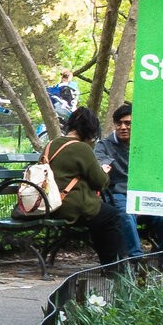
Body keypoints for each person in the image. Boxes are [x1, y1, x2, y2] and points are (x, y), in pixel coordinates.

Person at [32, 108, 121, 260]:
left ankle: (109, 263)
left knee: (101, 216)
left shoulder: (51, 145)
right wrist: (104, 171)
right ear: (89, 130)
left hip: (47, 204)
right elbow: (100, 182)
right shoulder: (81, 148)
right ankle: (114, 265)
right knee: (111, 216)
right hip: (68, 207)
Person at [92, 103, 140, 257]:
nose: (123, 127)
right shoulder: (103, 146)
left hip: (140, 193)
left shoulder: (143, 146)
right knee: (126, 214)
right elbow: (100, 165)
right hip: (116, 193)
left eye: (128, 123)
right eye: (119, 124)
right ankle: (136, 259)